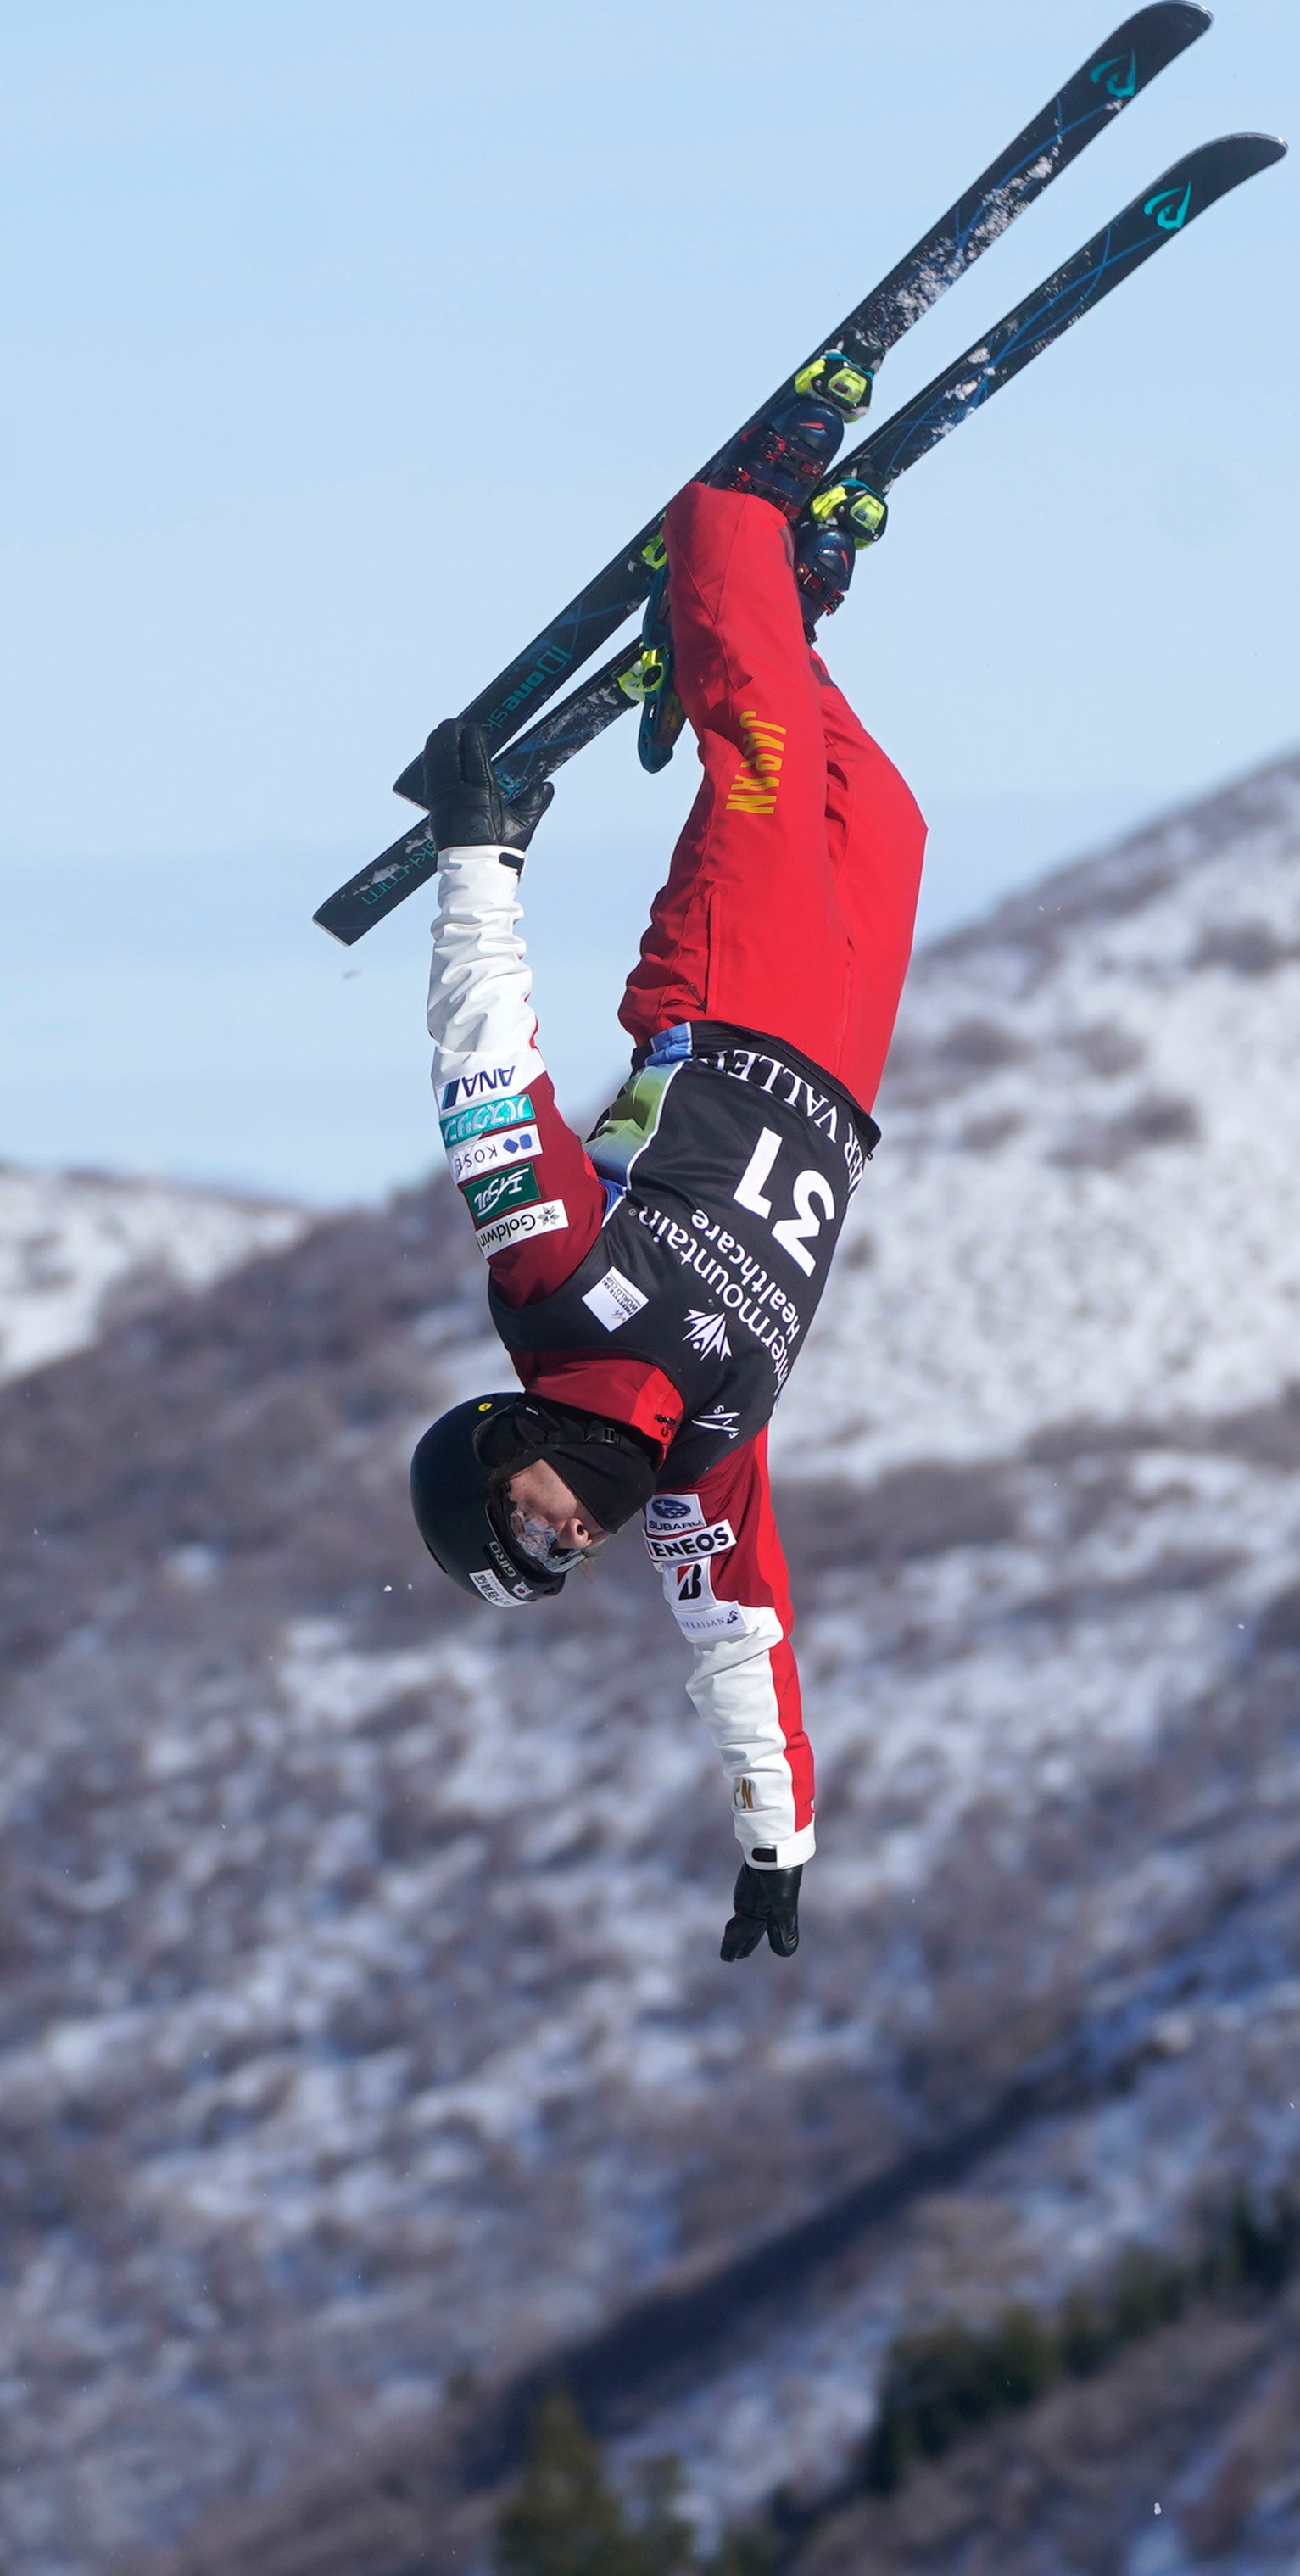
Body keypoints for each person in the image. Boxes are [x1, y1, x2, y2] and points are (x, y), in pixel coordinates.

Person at [405, 368, 924, 1964]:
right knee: (883, 815)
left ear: (502, 1449)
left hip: (728, 1000)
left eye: (534, 1528)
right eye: (560, 1563)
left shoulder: (553, 1288)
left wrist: (480, 857)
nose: (576, 1539)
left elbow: (485, 1082)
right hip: (837, 1064)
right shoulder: (701, 1458)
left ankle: (737, 520)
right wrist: (777, 1839)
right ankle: (776, 610)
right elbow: (739, 1640)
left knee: (756, 741)